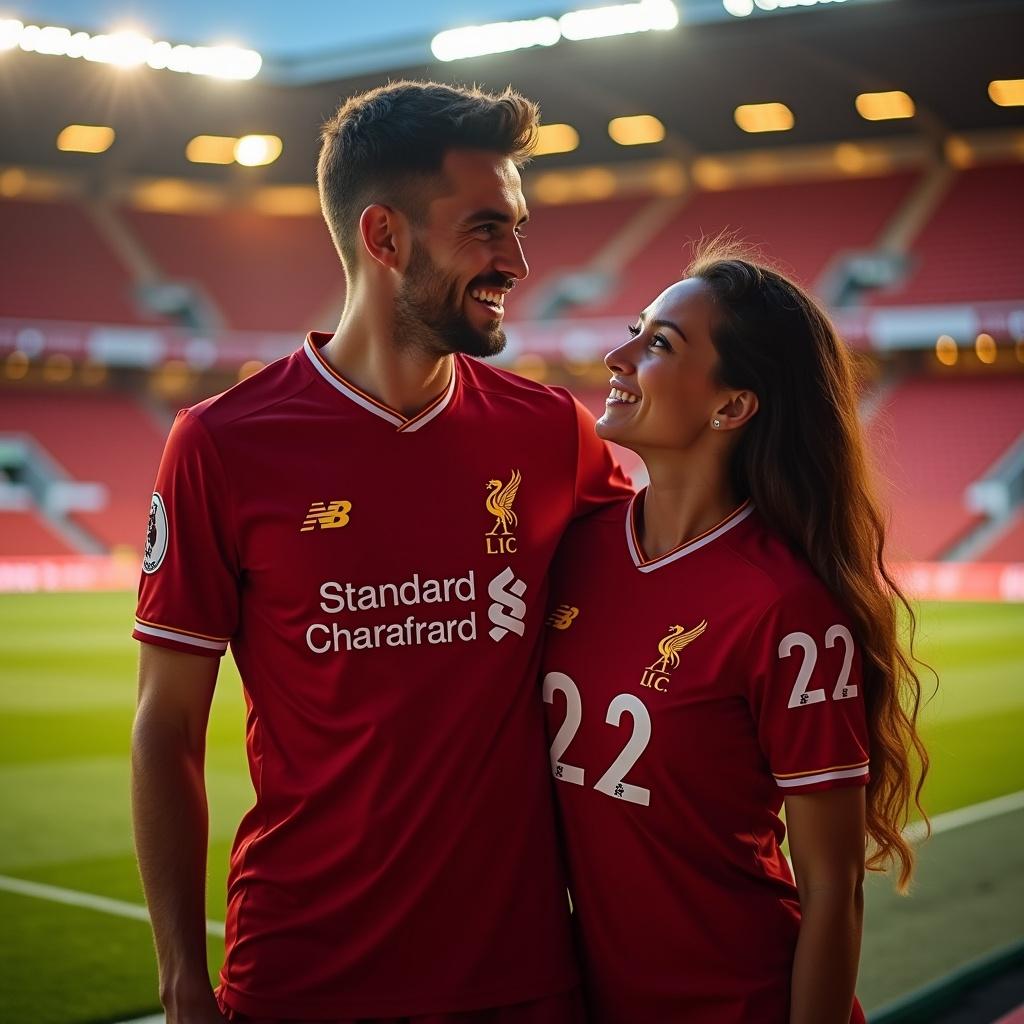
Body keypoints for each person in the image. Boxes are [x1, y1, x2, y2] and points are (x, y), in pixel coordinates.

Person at [130, 80, 630, 1024]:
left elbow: (666, 580)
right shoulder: (222, 443)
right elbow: (165, 728)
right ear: (384, 237)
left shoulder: (552, 434)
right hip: (301, 978)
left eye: (518, 226)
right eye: (487, 228)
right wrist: (180, 978)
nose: (518, 259)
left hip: (521, 981)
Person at [541, 243, 930, 1023]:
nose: (615, 357)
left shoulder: (785, 605)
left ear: (731, 406)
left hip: (736, 1002)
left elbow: (832, 887)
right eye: (635, 330)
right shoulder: (575, 547)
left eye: (658, 345)